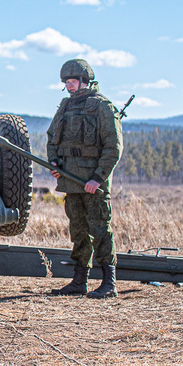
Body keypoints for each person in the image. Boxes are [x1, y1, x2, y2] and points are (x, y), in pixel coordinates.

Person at [47, 58, 124, 298]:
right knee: (78, 231)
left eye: (71, 81)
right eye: (66, 82)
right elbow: (52, 139)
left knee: (100, 229)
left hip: (93, 184)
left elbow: (114, 148)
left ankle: (109, 283)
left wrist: (98, 179)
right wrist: (54, 163)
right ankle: (79, 281)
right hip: (71, 182)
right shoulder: (65, 107)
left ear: (84, 81)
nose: (68, 86)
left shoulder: (102, 107)